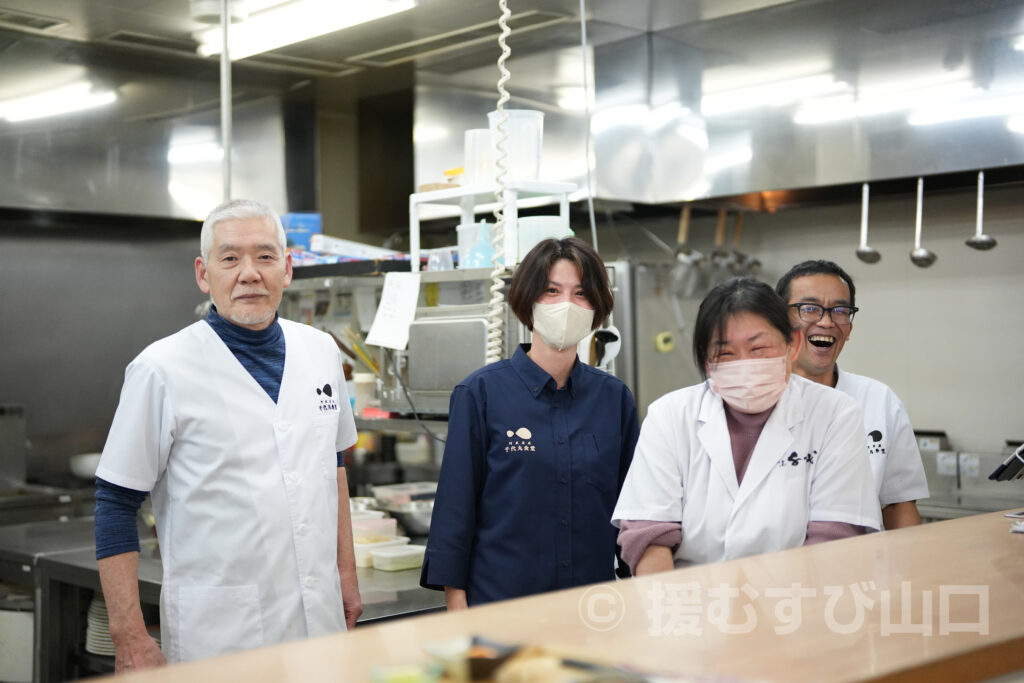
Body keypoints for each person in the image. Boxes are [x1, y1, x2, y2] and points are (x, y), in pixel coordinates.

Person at [94, 199, 361, 670]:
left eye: (265, 256)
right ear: (203, 273)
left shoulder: (321, 352)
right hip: (220, 634)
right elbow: (114, 503)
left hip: (318, 619)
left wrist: (346, 572)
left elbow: (332, 463)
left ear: (288, 269)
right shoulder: (161, 369)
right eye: (230, 258)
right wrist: (129, 635)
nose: (250, 273)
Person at [421, 237, 640, 608]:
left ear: (597, 307)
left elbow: (633, 512)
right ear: (530, 300)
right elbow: (454, 515)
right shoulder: (480, 393)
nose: (567, 305)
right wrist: (458, 613)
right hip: (501, 606)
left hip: (593, 607)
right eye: (552, 291)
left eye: (581, 293)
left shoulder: (613, 399)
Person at [612, 277, 880, 575]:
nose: (745, 365)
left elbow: (834, 540)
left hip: (796, 604)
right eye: (726, 353)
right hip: (691, 602)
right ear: (706, 360)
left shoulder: (834, 414)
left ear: (793, 344)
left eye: (758, 349)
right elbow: (648, 535)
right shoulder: (670, 415)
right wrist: (674, 614)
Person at [775, 260, 929, 529]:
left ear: (849, 329)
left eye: (840, 310)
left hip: (863, 565)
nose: (826, 321)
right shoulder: (756, 403)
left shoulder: (879, 400)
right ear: (780, 321)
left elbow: (899, 505)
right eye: (809, 309)